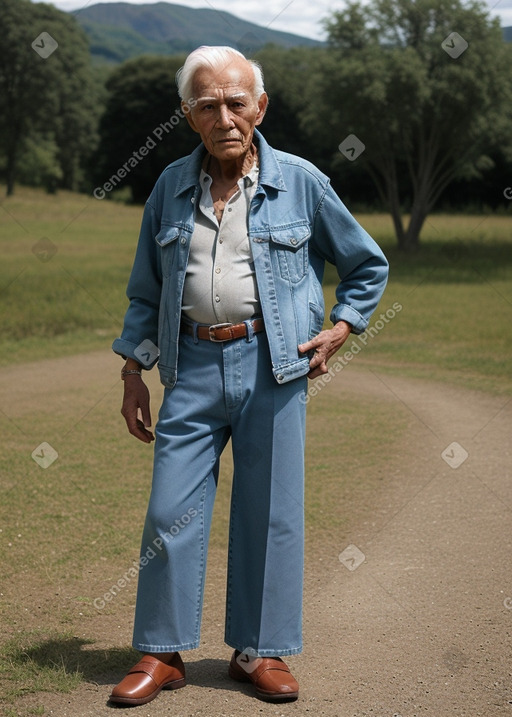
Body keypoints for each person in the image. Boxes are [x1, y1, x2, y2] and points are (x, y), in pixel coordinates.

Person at [108, 45, 388, 706]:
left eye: (238, 102)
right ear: (188, 114)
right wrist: (131, 370)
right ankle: (163, 651)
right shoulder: (169, 188)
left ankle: (258, 652)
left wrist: (343, 326)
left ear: (260, 107)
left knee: (271, 513)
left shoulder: (304, 182)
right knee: (168, 511)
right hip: (191, 368)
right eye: (208, 104)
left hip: (276, 367)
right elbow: (146, 292)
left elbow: (365, 265)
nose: (225, 116)